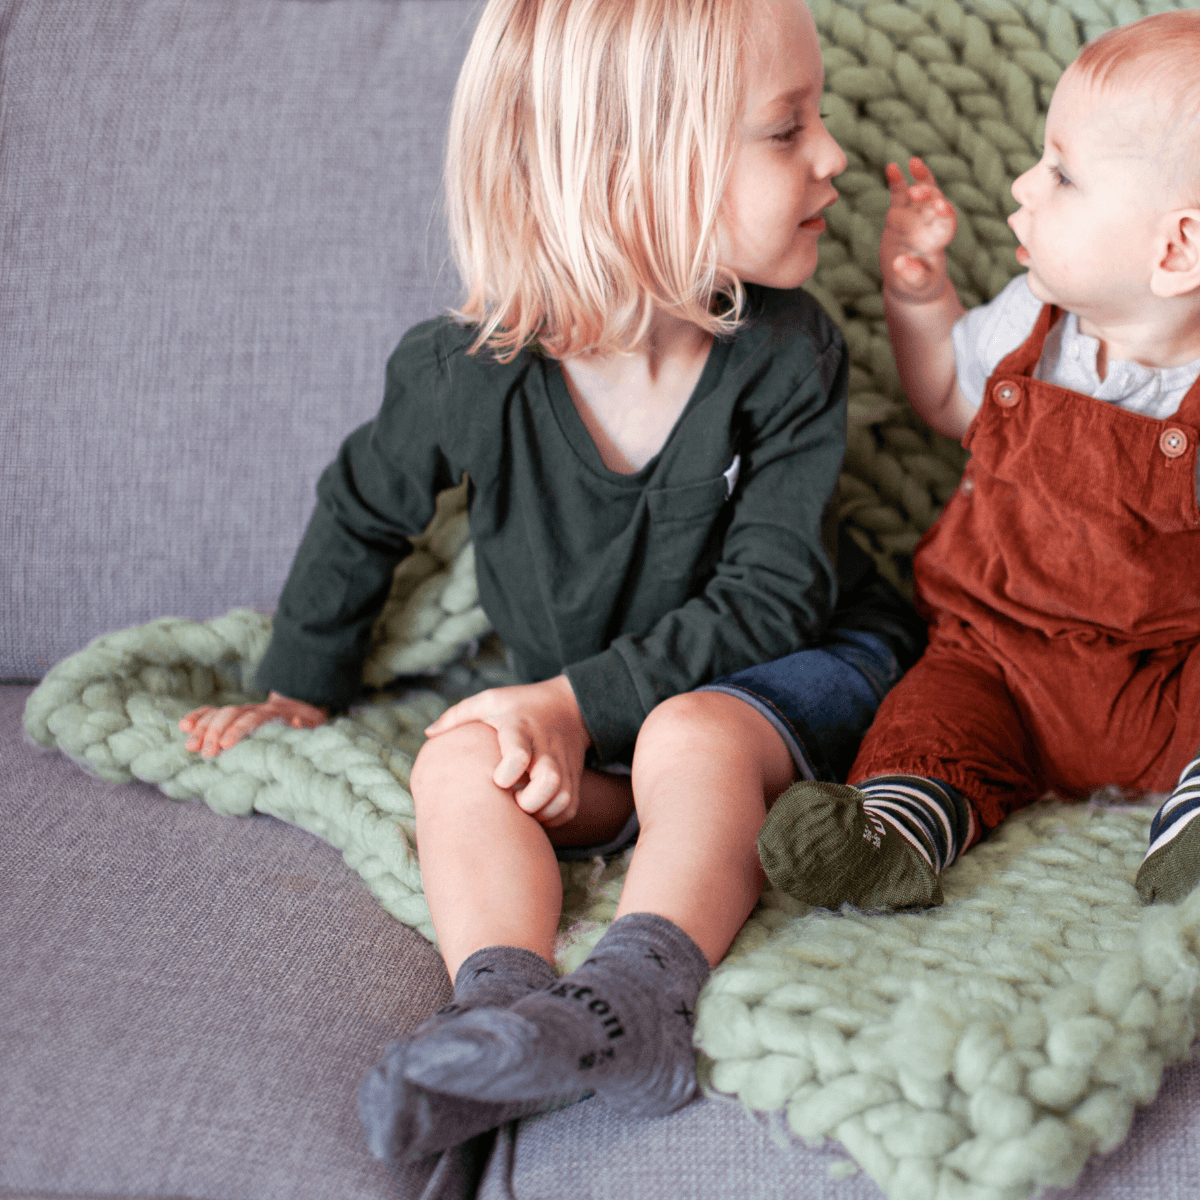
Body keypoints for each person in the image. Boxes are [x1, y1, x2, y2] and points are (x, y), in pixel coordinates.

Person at [179, 0, 923, 1160]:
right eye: (787, 129)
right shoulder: (464, 370)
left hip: (794, 673)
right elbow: (361, 506)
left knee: (690, 737)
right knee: (460, 754)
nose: (834, 154)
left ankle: (638, 1000)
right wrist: (299, 682)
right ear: (631, 173)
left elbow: (772, 600)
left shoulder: (787, 352)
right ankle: (505, 1019)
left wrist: (571, 704)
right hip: (597, 732)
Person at [757, 10, 1200, 916]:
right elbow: (949, 402)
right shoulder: (1027, 332)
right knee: (928, 722)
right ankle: (895, 828)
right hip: (996, 658)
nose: (1023, 184)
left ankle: (1191, 821)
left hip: (1165, 674)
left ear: (1176, 248)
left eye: (1063, 174)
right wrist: (918, 297)